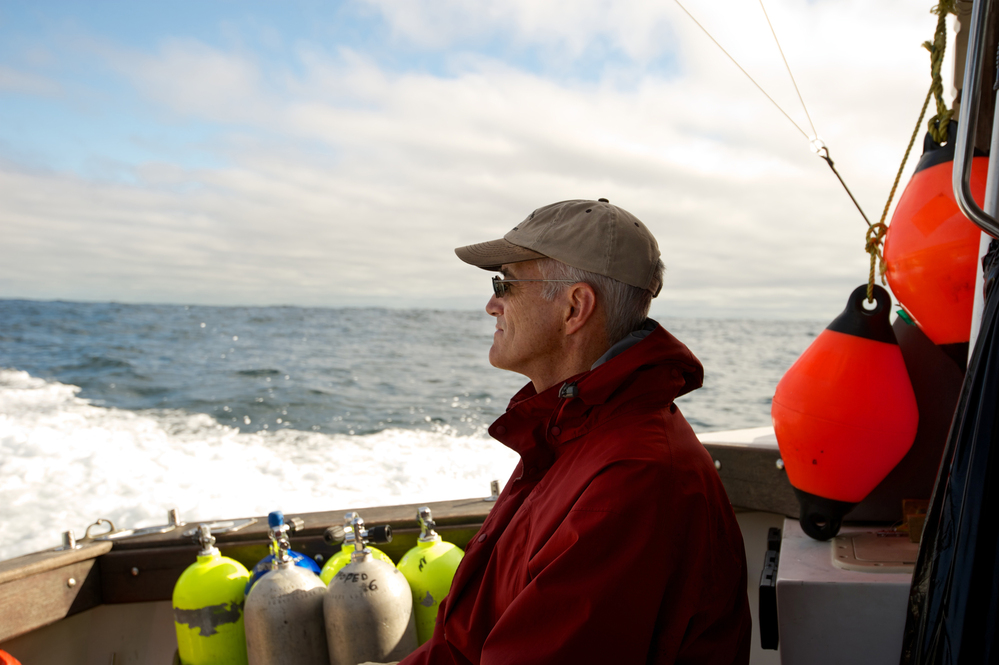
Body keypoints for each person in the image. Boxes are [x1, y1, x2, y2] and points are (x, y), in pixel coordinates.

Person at [401, 198, 752, 664]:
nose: (491, 305)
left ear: (575, 307)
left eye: (505, 284)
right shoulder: (567, 430)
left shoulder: (632, 477)